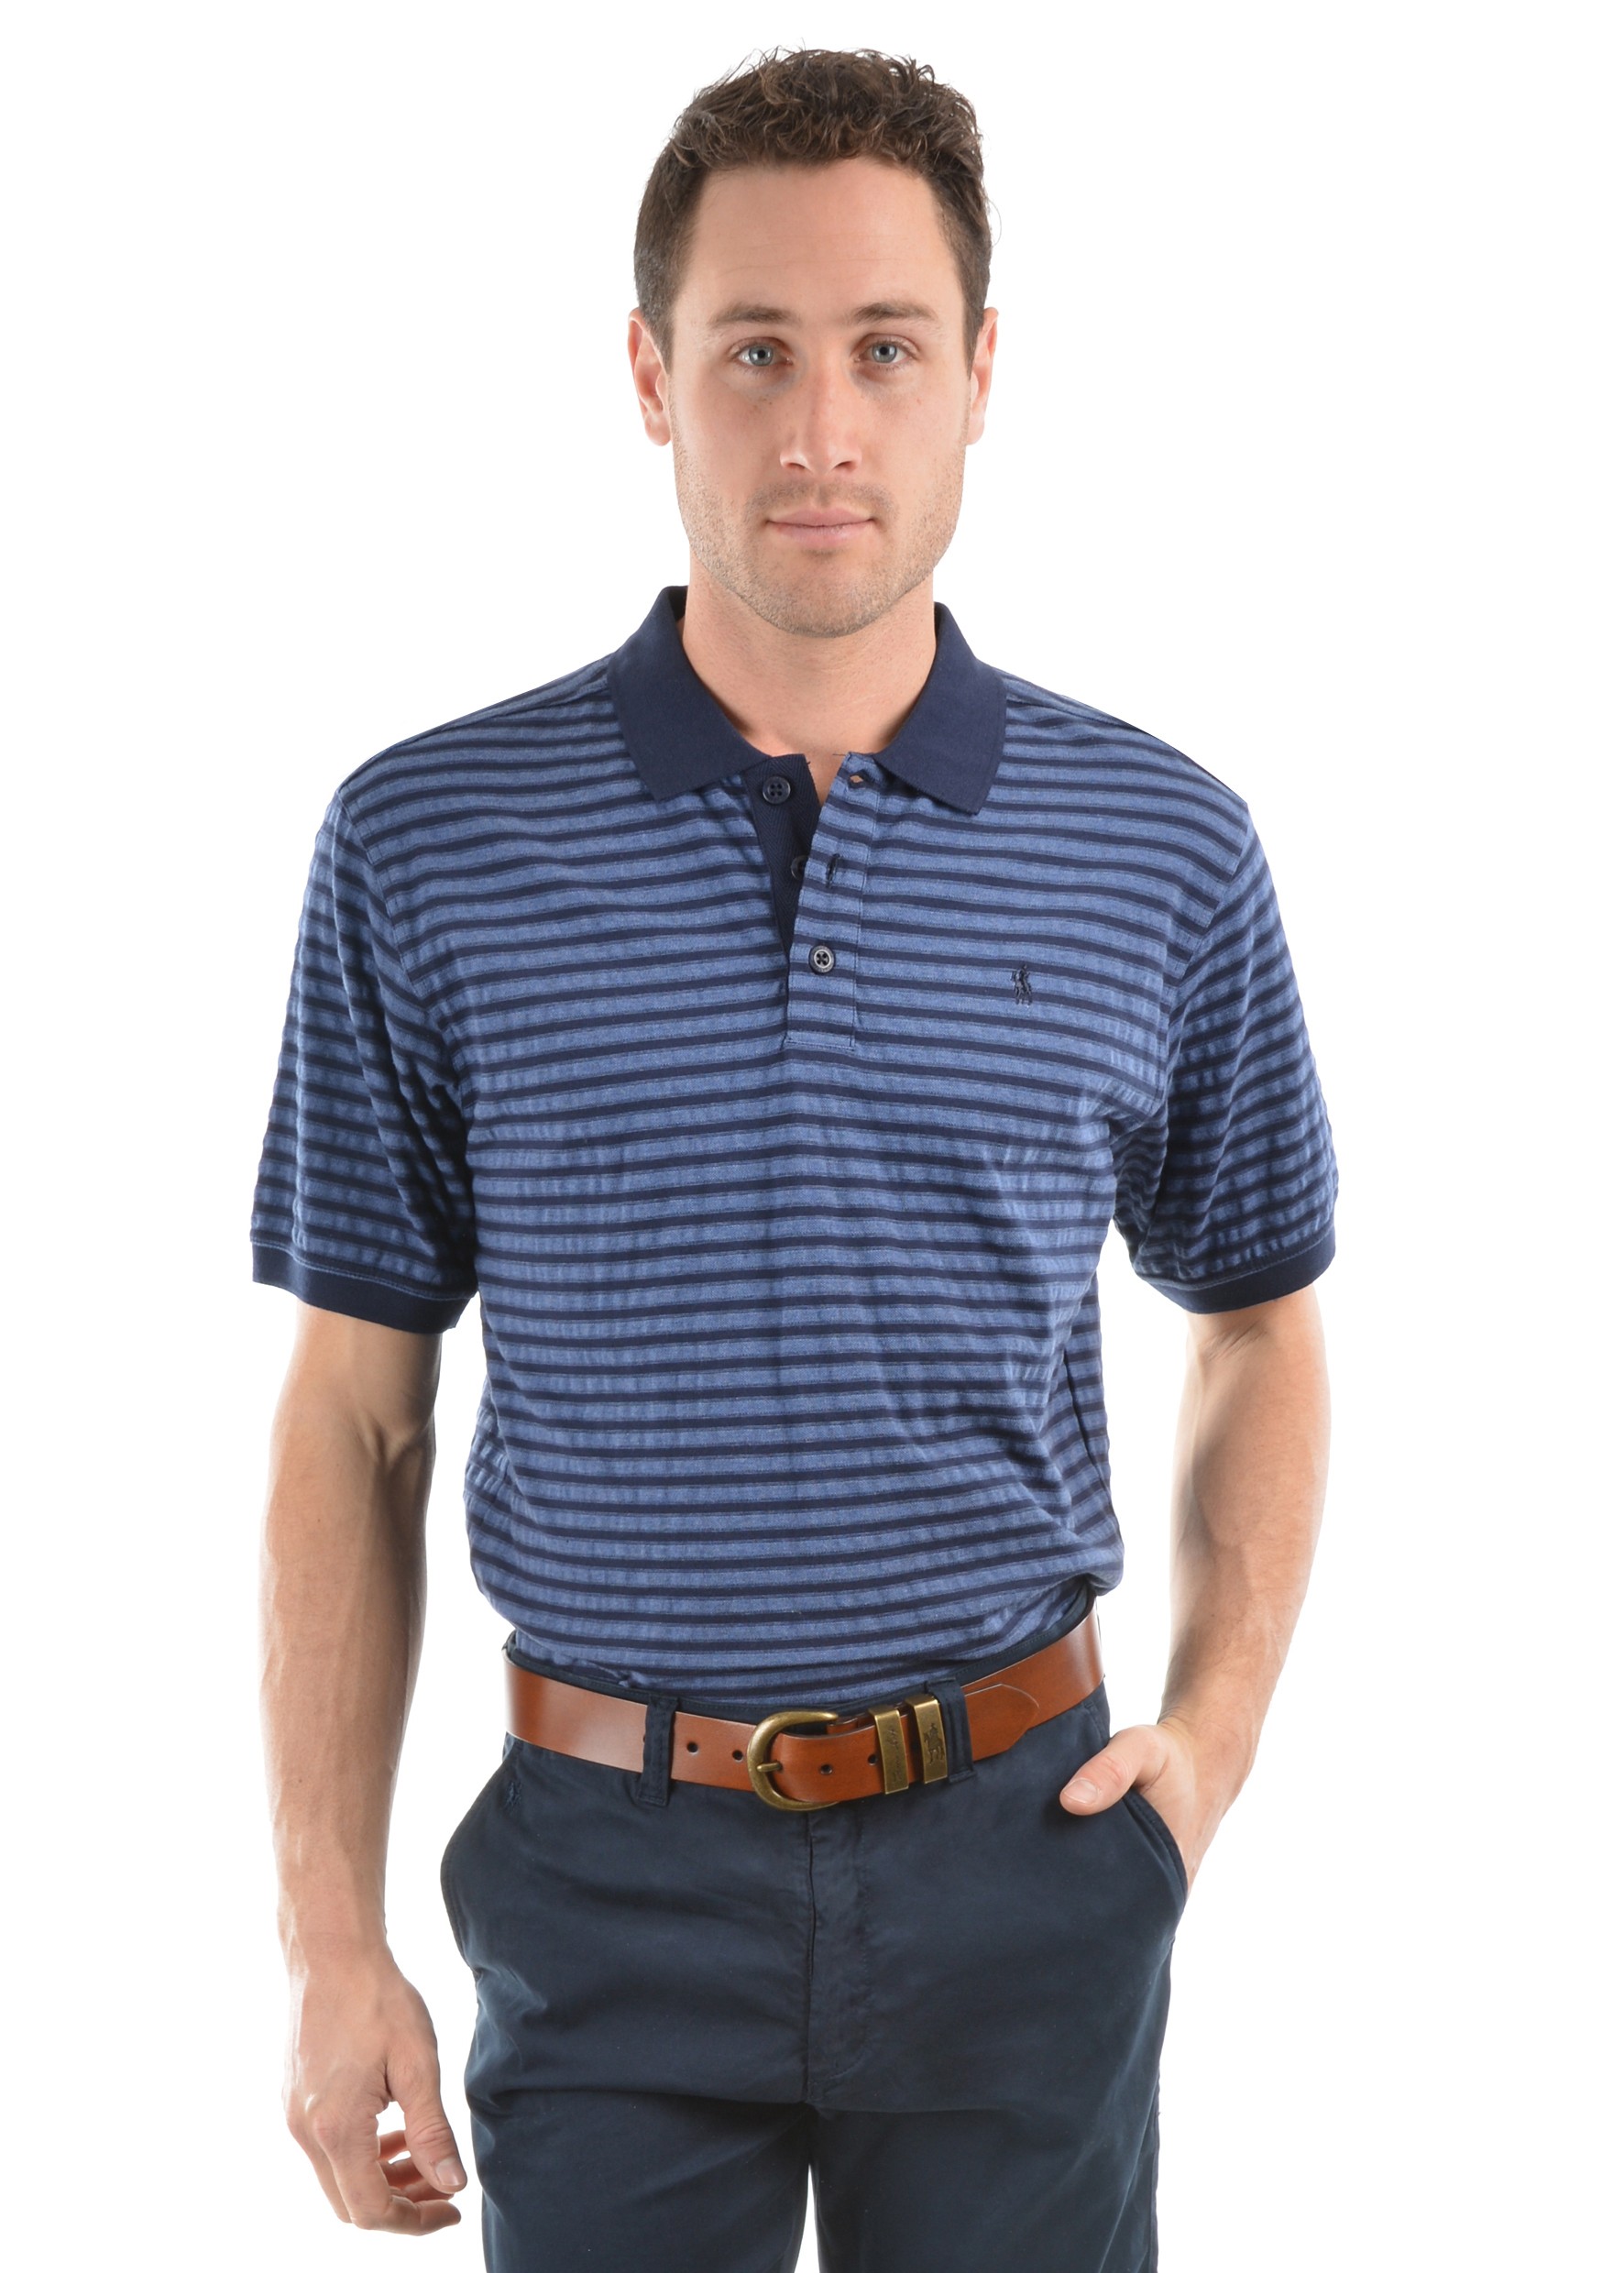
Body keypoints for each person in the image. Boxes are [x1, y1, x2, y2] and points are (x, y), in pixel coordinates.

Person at [251, 44, 1336, 2273]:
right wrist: (328, 1941)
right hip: (601, 1869)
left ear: (979, 377)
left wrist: (1211, 1742)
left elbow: (1258, 1318)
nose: (820, 426)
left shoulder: (1162, 848)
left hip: (1027, 1854)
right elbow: (355, 1410)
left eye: (883, 349)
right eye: (755, 349)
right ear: (652, 377)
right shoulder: (427, 842)